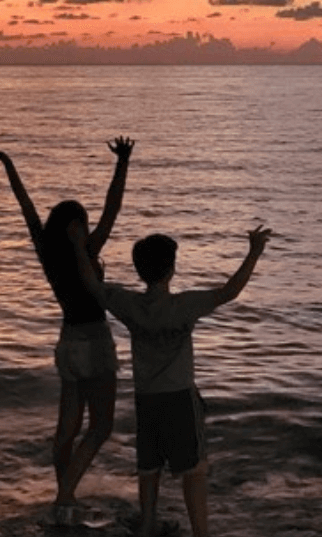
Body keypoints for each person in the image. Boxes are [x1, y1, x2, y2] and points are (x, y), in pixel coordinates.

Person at [71, 223, 272, 537]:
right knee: (193, 469)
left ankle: (148, 522)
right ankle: (200, 532)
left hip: (146, 397)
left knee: (148, 466)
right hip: (179, 398)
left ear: (140, 271)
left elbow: (92, 286)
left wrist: (78, 249)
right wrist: (254, 252)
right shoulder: (183, 306)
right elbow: (229, 291)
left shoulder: (129, 304)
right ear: (172, 270)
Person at [0, 137, 134, 525]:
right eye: (82, 219)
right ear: (77, 225)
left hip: (68, 342)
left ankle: (65, 503)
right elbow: (114, 209)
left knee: (66, 430)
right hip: (95, 340)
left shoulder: (48, 253)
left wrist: (7, 162)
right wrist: (122, 163)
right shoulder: (88, 250)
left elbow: (25, 205)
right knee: (101, 427)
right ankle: (64, 495)